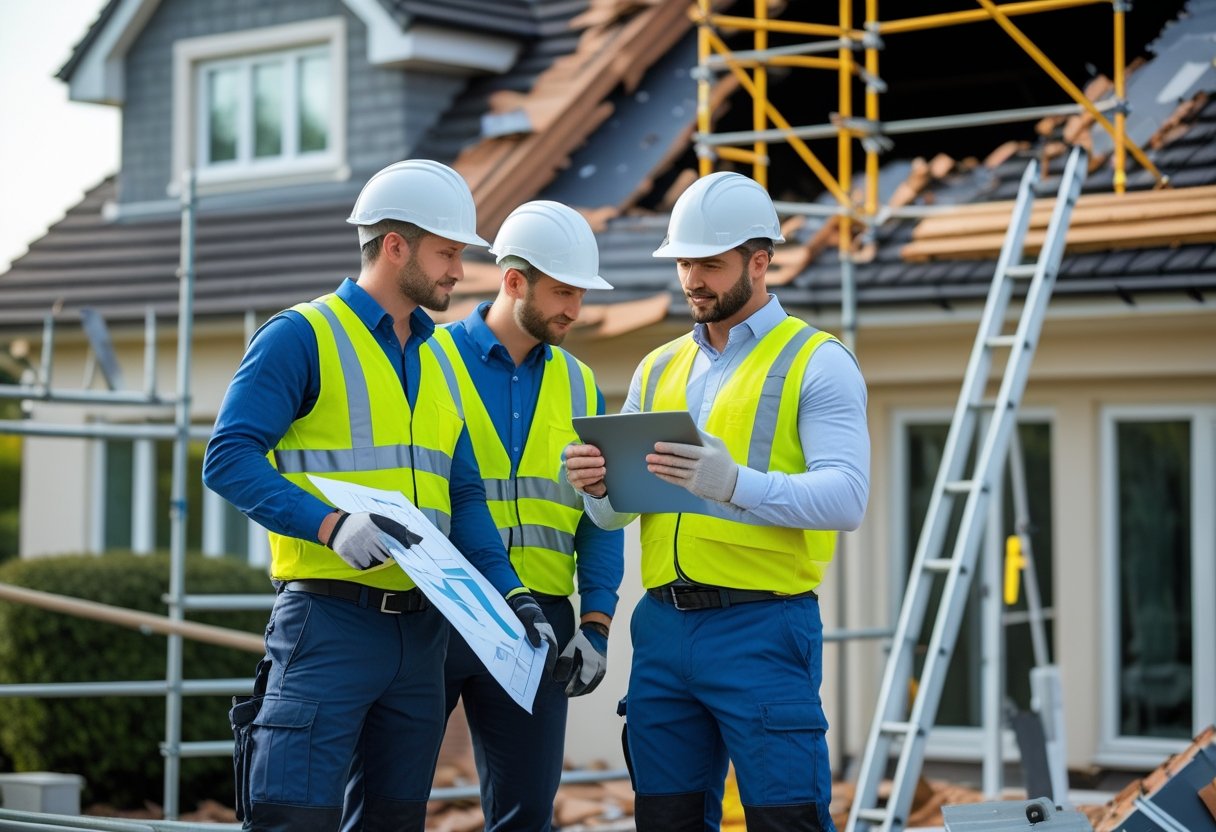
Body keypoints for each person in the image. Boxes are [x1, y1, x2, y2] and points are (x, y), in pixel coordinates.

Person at [203, 159, 558, 832]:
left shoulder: (440, 361)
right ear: (396, 246)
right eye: (448, 252)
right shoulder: (301, 336)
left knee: (393, 823)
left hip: (421, 638)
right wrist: (331, 525)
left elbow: (467, 503)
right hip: (328, 626)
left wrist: (513, 600)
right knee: (293, 820)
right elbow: (228, 459)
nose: (459, 270)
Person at [564, 171, 870, 832]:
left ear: (759, 262)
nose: (691, 278)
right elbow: (619, 512)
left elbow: (847, 499)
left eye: (709, 263)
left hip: (762, 628)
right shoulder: (658, 366)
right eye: (683, 261)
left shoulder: (818, 361)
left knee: (785, 819)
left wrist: (731, 484)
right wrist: (598, 489)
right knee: (666, 821)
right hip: (662, 632)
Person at [427, 200, 625, 831]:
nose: (576, 309)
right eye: (564, 292)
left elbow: (601, 512)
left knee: (526, 816)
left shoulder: (581, 383)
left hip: (540, 622)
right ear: (514, 281)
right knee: (388, 803)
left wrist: (594, 623)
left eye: (581, 294)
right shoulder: (430, 360)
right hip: (438, 606)